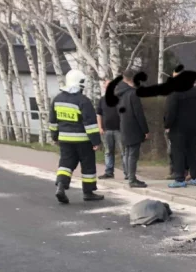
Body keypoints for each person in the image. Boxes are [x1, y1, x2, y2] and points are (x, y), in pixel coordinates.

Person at [48, 69, 103, 204]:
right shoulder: (83, 101)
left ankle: (61, 186)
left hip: (65, 139)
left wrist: (55, 137)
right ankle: (88, 192)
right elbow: (90, 124)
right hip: (83, 140)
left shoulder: (57, 99)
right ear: (80, 83)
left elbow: (53, 122)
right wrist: (96, 141)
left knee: (65, 164)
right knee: (88, 165)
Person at [115, 68, 149, 188]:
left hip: (124, 125)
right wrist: (145, 130)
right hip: (134, 127)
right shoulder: (133, 94)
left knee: (128, 153)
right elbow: (139, 113)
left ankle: (130, 177)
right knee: (133, 154)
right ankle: (132, 179)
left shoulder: (119, 93)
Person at [96, 79, 121, 179]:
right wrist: (100, 127)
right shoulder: (102, 100)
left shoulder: (120, 99)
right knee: (108, 152)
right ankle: (109, 172)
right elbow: (99, 114)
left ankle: (128, 173)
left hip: (119, 129)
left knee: (124, 152)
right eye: (107, 86)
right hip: (106, 130)